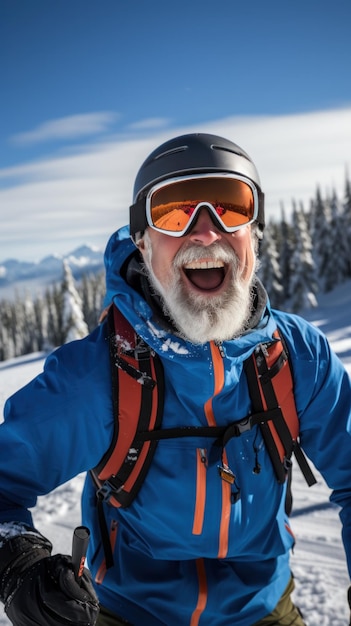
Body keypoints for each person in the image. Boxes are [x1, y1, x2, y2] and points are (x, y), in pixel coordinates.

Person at [0, 132, 350, 626]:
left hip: (263, 608)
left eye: (231, 207)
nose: (205, 232)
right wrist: (20, 564)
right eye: (173, 211)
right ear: (142, 242)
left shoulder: (297, 358)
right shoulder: (98, 376)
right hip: (127, 611)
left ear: (257, 232)